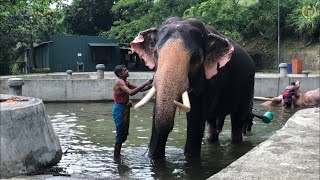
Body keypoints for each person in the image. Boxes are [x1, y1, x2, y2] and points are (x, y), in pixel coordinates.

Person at [112, 65, 152, 158]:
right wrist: (146, 82)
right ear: (120, 74)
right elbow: (131, 92)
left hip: (124, 108)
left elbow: (141, 89)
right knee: (120, 134)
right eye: (125, 70)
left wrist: (151, 84)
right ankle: (116, 157)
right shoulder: (119, 82)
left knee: (124, 133)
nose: (127, 71)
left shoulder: (126, 82)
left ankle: (118, 157)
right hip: (119, 109)